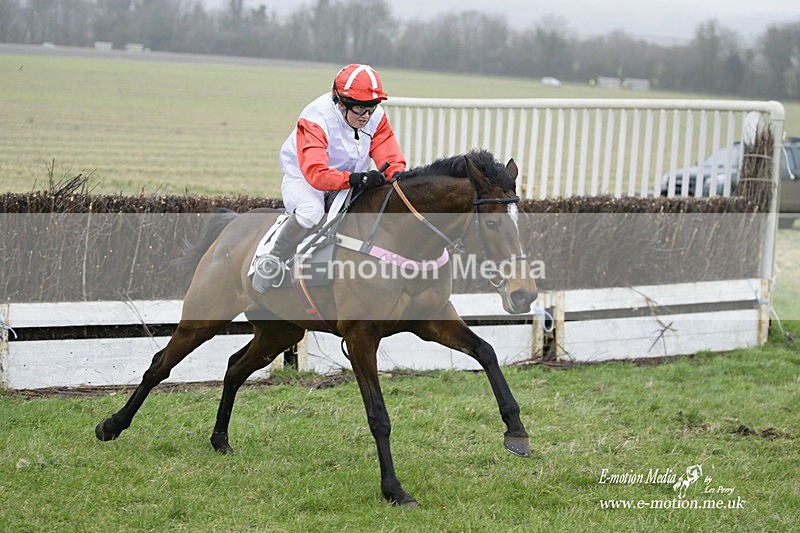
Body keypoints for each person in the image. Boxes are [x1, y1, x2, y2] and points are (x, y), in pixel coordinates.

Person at [252, 64, 407, 293]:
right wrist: (357, 179)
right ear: (341, 103)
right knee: (311, 211)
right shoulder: (316, 117)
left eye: (371, 109)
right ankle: (272, 259)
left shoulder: (376, 117)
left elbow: (390, 155)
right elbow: (316, 173)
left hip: (349, 178)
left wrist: (397, 177)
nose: (366, 117)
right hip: (304, 178)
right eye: (359, 110)